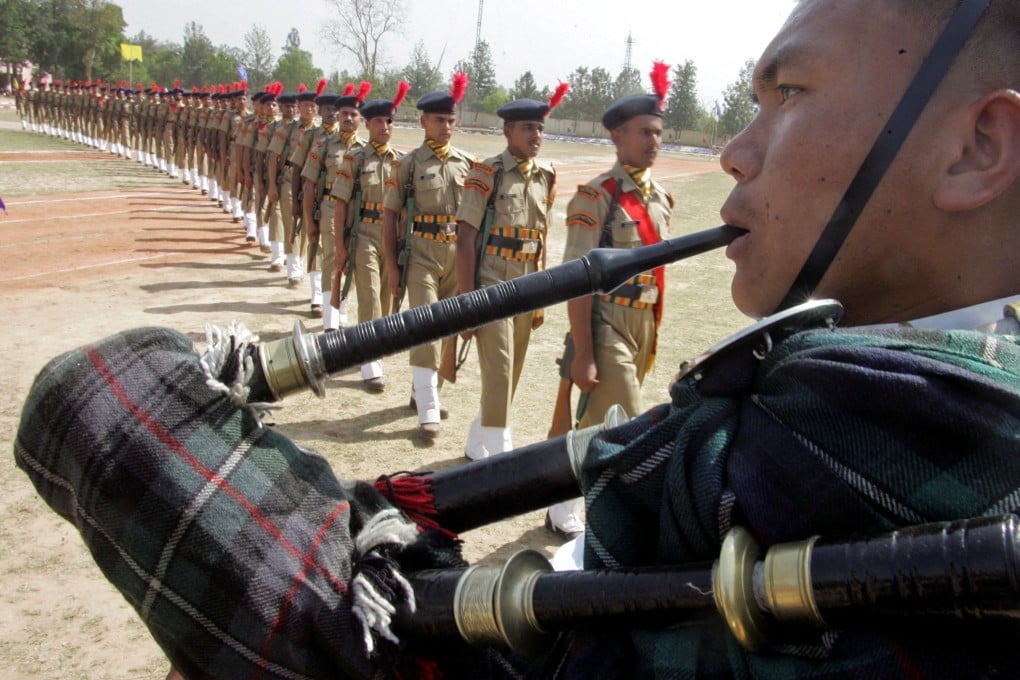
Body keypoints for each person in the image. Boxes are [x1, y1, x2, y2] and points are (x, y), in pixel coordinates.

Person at [549, 64, 674, 538]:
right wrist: (583, 350)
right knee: (632, 420)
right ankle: (627, 517)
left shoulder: (660, 197)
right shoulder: (596, 196)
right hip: (606, 325)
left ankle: (557, 495)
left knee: (592, 417)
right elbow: (576, 279)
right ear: (618, 136)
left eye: (659, 133)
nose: (654, 141)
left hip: (643, 323)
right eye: (644, 132)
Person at [454, 89, 566, 459]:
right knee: (499, 371)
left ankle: (476, 440)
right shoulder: (487, 173)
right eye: (527, 128)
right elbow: (466, 239)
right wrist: (466, 302)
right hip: (491, 285)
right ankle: (500, 457)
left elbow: (541, 237)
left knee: (510, 376)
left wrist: (542, 298)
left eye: (540, 128)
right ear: (507, 132)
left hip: (528, 287)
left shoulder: (546, 177)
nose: (536, 136)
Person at [382, 73, 475, 439]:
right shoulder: (407, 165)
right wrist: (392, 266)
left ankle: (425, 389)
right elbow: (390, 217)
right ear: (423, 121)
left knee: (450, 326)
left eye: (452, 120)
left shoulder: (467, 163)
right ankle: (428, 405)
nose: (447, 126)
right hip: (420, 252)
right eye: (440, 120)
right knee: (426, 323)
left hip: (456, 255)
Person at [330, 82, 410, 391]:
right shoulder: (354, 159)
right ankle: (370, 359)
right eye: (379, 121)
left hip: (390, 237)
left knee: (388, 296)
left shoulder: (401, 162)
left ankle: (374, 345)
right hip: (363, 232)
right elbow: (340, 202)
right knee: (369, 293)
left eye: (389, 121)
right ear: (368, 123)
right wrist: (339, 246)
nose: (385, 126)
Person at [301, 83, 369, 330]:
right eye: (344, 114)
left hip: (357, 211)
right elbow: (309, 185)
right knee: (332, 257)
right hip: (329, 207)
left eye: (354, 114)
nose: (349, 118)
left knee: (351, 257)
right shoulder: (324, 145)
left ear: (361, 119)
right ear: (337, 116)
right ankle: (330, 320)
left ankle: (342, 307)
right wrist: (310, 220)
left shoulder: (366, 150)